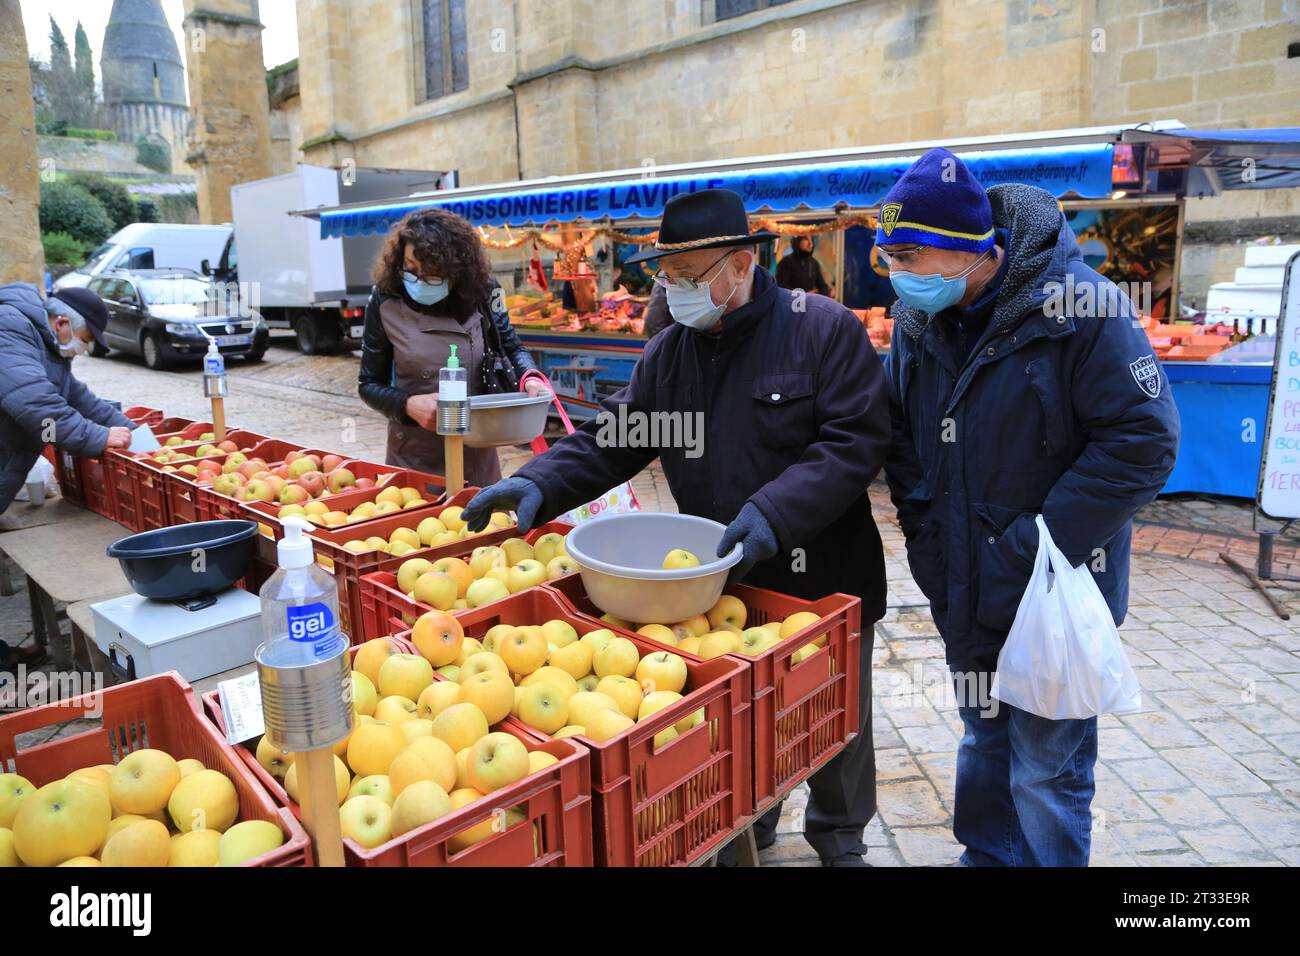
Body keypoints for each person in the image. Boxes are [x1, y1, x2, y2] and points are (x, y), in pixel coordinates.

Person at [462, 188, 890, 866]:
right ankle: (758, 817)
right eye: (670, 276)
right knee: (749, 723)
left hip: (823, 579)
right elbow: (615, 438)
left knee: (837, 722)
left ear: (742, 265)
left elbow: (854, 442)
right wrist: (539, 481)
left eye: (692, 276)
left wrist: (776, 512)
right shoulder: (671, 355)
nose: (678, 289)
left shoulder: (821, 330)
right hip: (721, 586)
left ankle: (840, 839)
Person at [879, 148, 1180, 866]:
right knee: (984, 743)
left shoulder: (1085, 308)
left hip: (1053, 589)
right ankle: (986, 858)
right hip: (962, 584)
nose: (895, 273)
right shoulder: (918, 323)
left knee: (1046, 770)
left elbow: (1144, 439)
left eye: (909, 254)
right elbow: (901, 438)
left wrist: (1034, 541)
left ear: (969, 250)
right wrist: (926, 537)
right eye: (887, 254)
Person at [358, 208, 545, 487]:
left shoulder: (484, 291)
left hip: (478, 448)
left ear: (458, 270)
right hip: (415, 454)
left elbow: (510, 345)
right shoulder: (386, 298)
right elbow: (369, 383)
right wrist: (408, 405)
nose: (419, 282)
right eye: (410, 269)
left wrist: (531, 377)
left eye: (432, 276)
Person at [0, 284, 133, 513]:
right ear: (62, 323)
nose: (85, 348)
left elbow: (79, 398)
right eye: (86, 339)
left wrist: (136, 433)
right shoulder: (10, 328)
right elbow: (36, 405)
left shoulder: (48, 348)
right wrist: (97, 436)